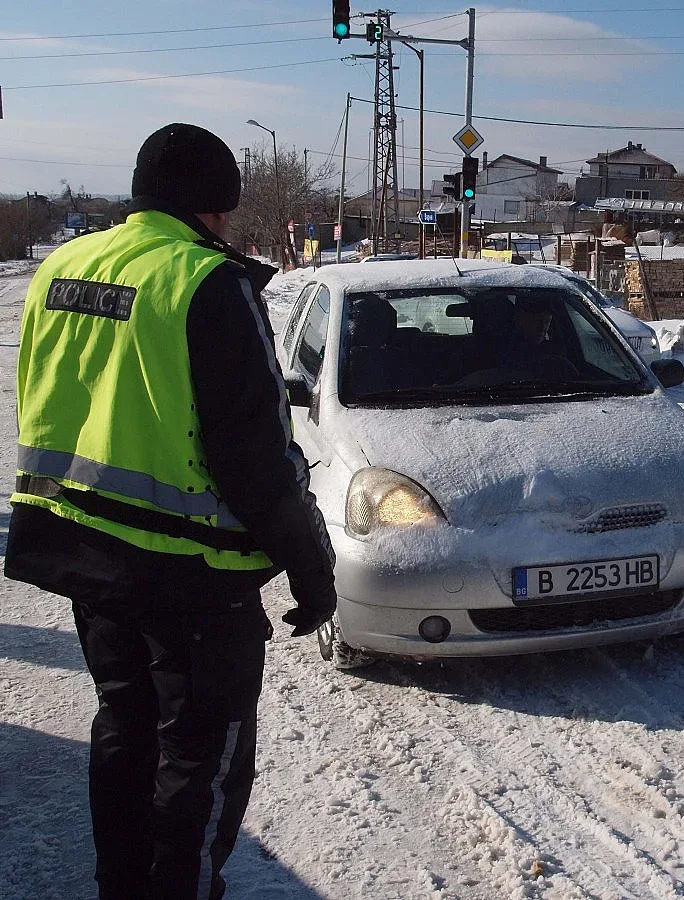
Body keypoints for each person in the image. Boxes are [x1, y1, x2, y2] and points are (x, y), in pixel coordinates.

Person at [5, 123, 337, 900]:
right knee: (199, 758)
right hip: (190, 576)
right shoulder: (205, 282)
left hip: (86, 553)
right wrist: (311, 570)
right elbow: (256, 458)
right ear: (217, 206)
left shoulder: (64, 262)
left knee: (124, 728)